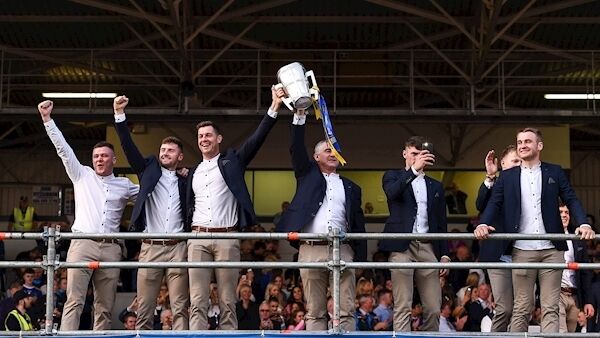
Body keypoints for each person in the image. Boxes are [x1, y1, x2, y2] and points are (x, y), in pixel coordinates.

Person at [475, 127, 595, 332]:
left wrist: (583, 223)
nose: (522, 145)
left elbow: (571, 198)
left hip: (552, 249)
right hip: (522, 249)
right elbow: (494, 202)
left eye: (527, 141)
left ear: (539, 145)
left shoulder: (555, 171)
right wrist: (482, 223)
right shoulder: (507, 176)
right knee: (522, 306)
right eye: (520, 142)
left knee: (550, 306)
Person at [185, 86, 282, 330]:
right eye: (200, 137)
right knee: (197, 298)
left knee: (228, 298)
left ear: (218, 139)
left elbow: (256, 139)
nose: (204, 139)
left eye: (208, 135)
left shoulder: (231, 162)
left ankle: (228, 335)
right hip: (197, 237)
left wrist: (274, 107)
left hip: (227, 237)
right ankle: (197, 336)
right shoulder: (193, 171)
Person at [38, 100, 139, 330]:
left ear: (114, 160)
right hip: (82, 243)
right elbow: (63, 149)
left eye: (104, 156)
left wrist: (178, 175)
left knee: (105, 305)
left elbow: (150, 195)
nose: (100, 159)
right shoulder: (81, 174)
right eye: (96, 156)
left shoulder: (125, 185)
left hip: (112, 247)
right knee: (75, 300)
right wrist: (47, 120)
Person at [275, 107, 367, 332]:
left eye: (335, 150)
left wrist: (361, 258)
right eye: (327, 150)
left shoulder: (352, 187)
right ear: (316, 157)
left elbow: (358, 223)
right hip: (311, 247)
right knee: (314, 310)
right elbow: (296, 147)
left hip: (343, 248)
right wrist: (299, 116)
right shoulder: (307, 175)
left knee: (346, 308)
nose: (332, 153)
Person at [113, 95, 189, 330]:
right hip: (150, 246)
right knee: (144, 306)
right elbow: (128, 146)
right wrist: (119, 115)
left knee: (179, 306)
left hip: (178, 247)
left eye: (171, 150)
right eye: (163, 149)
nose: (165, 152)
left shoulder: (188, 177)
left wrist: (187, 173)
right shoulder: (147, 169)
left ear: (180, 156)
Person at [379, 136, 449, 332]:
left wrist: (444, 254)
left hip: (428, 245)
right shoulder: (392, 176)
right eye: (413, 154)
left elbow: (441, 222)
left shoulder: (436, 185)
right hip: (402, 245)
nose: (418, 158)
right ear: (405, 154)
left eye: (421, 155)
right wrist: (413, 170)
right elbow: (392, 193)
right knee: (403, 306)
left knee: (434, 308)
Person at [474, 145, 521, 332]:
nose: (518, 165)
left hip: (523, 253)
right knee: (505, 308)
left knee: (523, 307)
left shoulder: (528, 184)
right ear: (502, 163)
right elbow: (480, 205)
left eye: (521, 161)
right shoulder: (495, 184)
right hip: (498, 254)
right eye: (514, 161)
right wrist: (490, 176)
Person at [558, 204, 594, 332]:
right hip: (557, 294)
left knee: (571, 333)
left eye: (567, 212)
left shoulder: (577, 238)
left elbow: (585, 272)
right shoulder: (548, 236)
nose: (564, 215)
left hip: (574, 296)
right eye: (561, 212)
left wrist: (588, 301)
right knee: (560, 333)